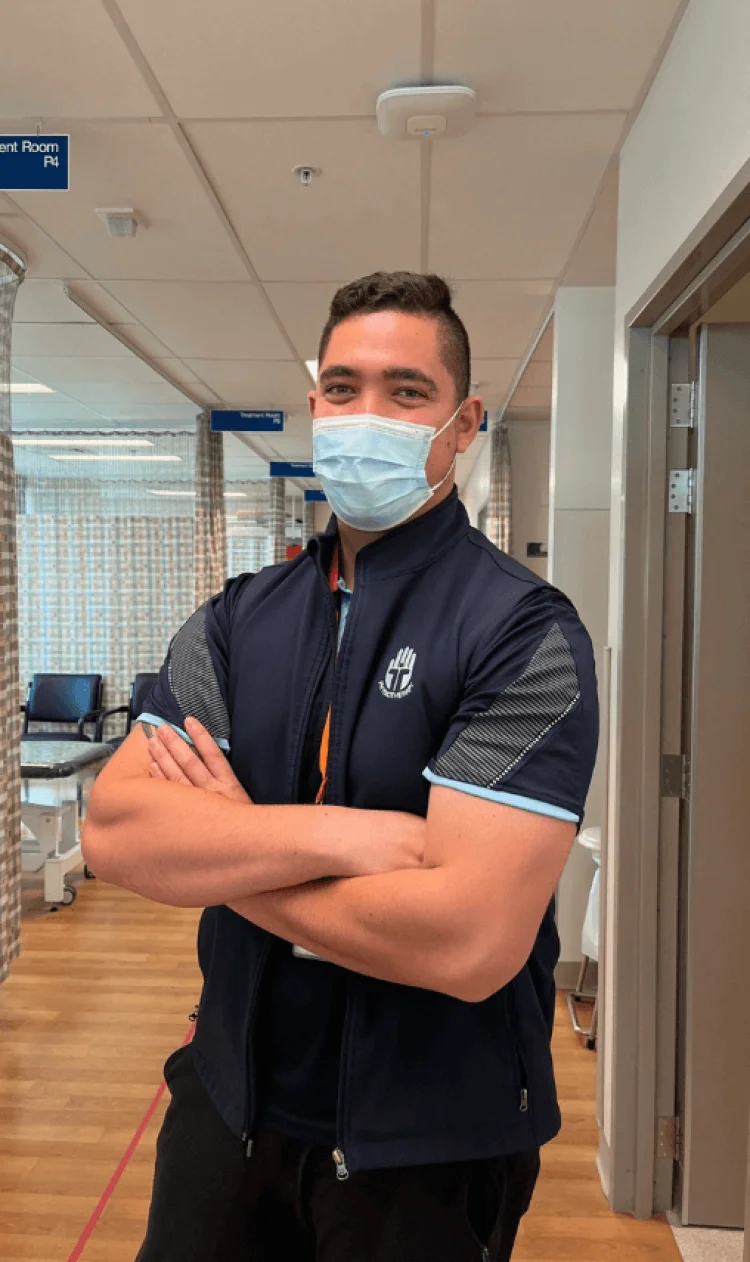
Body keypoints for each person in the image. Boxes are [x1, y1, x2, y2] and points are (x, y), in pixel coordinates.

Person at [83, 271, 598, 1262]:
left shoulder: (524, 634)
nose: (372, 415)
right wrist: (360, 836)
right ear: (315, 405)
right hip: (228, 1103)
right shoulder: (238, 620)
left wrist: (230, 858)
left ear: (462, 421)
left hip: (431, 1144)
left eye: (407, 392)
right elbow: (117, 831)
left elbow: (469, 939)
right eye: (348, 387)